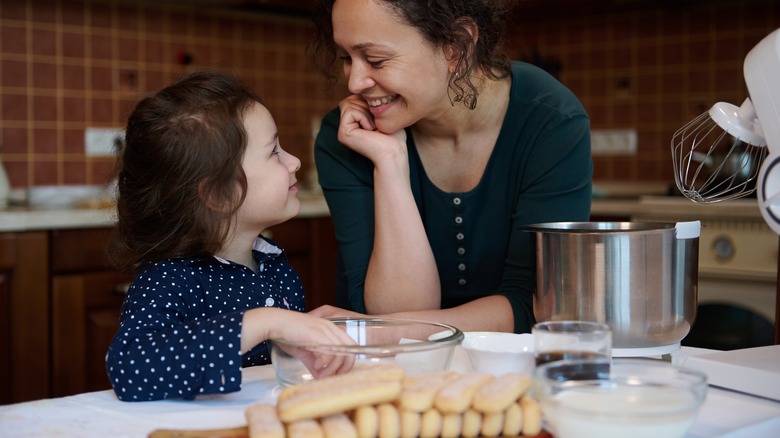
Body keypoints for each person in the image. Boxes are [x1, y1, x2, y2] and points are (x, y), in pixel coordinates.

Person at [309, 0, 593, 334]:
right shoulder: (346, 136)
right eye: (346, 58)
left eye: (375, 60)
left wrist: (379, 329)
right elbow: (392, 314)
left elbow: (537, 307)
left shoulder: (551, 122)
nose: (354, 83)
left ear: (456, 46)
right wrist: (390, 162)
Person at [105, 70, 354, 402]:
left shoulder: (274, 267)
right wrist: (265, 323)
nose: (294, 161)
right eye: (273, 152)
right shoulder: (168, 280)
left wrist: (308, 346)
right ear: (219, 195)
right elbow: (130, 368)